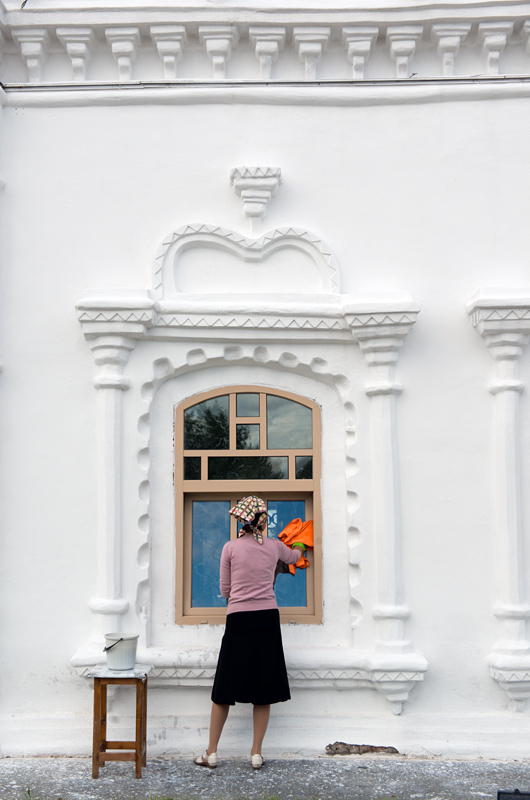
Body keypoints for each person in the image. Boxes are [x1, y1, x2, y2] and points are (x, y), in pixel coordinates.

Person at [194, 495, 306, 771]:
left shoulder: (230, 548)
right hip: (267, 619)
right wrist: (301, 541)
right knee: (263, 687)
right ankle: (256, 753)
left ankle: (212, 753)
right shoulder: (275, 547)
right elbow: (296, 556)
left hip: (239, 619)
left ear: (243, 521)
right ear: (263, 521)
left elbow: (225, 591)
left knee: (223, 688)